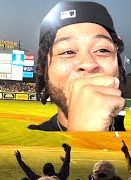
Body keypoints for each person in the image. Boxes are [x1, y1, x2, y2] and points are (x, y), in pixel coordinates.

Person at [29, 1, 126, 131]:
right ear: (45, 69)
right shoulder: (26, 147)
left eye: (102, 50)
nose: (88, 64)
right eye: (68, 52)